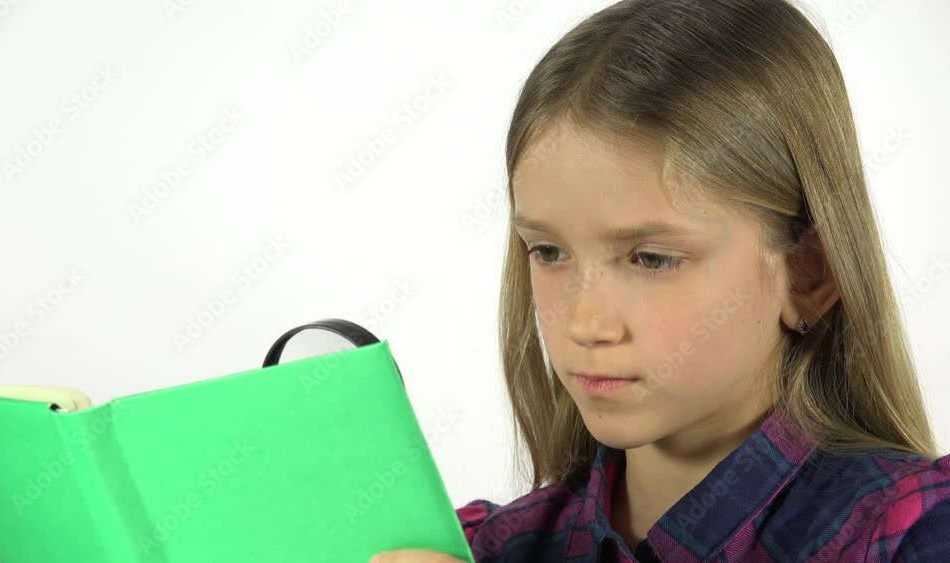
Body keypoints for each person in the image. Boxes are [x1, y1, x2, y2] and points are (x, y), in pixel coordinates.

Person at [370, 0, 950, 561]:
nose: (584, 324)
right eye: (548, 251)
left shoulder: (914, 535)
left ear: (807, 274)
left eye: (650, 259)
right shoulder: (484, 548)